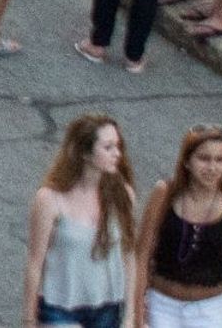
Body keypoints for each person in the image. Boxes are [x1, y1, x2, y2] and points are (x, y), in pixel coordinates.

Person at [133, 126, 222, 328]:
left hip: (210, 309)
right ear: (187, 161)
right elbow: (142, 257)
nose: (212, 168)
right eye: (204, 158)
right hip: (162, 304)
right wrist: (136, 313)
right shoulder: (165, 193)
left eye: (219, 160)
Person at [21, 113, 137, 328]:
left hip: (107, 307)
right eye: (108, 147)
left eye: (118, 146)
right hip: (60, 307)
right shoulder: (50, 199)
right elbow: (35, 262)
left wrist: (130, 315)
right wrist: (28, 319)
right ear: (85, 153)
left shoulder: (123, 195)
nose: (117, 154)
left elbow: (129, 255)